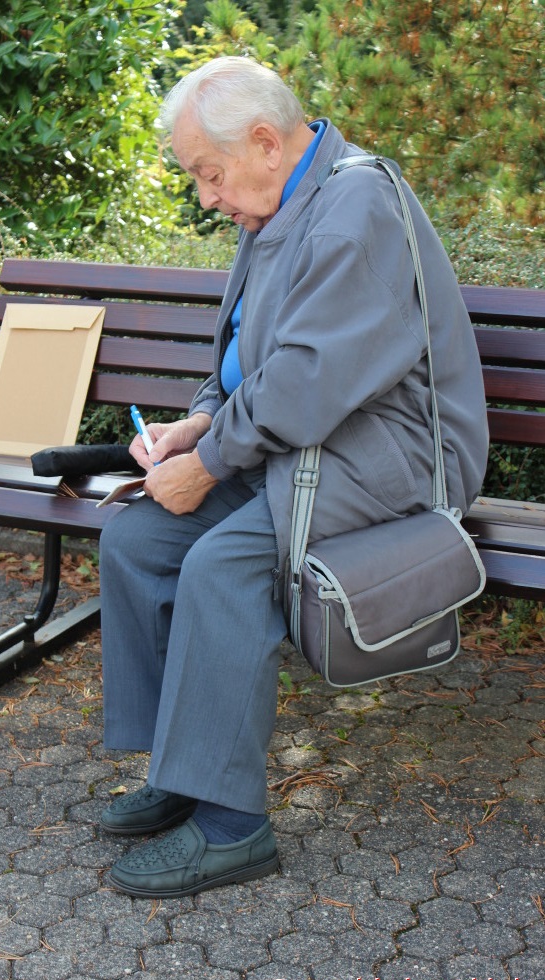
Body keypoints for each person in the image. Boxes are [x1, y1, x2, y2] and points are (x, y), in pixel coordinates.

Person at [97, 56, 489, 899]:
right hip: (303, 441)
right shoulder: (278, 205)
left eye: (208, 173)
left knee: (222, 566)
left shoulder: (355, 208)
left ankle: (231, 827)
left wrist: (208, 464)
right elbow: (246, 356)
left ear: (265, 143)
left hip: (393, 453)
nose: (206, 197)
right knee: (138, 540)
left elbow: (308, 378)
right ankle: (183, 765)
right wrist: (199, 422)